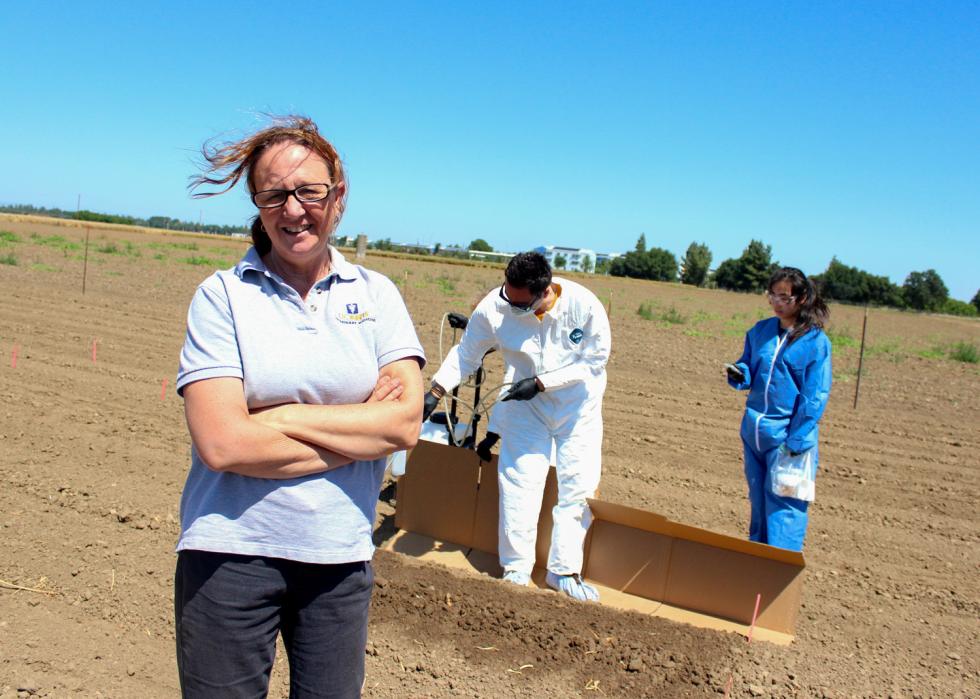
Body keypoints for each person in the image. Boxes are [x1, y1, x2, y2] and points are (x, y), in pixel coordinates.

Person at [174, 115, 424, 698]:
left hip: (338, 558)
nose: (293, 210)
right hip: (227, 554)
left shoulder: (377, 295)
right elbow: (222, 444)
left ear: (338, 197)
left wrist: (279, 420)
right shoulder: (222, 296)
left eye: (309, 191)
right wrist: (361, 430)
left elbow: (405, 423)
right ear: (256, 203)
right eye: (274, 194)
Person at [422, 252, 611, 601]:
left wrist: (543, 383)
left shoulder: (585, 306)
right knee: (519, 481)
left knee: (577, 486)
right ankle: (516, 569)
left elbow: (595, 362)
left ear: (544, 292)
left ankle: (563, 571)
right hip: (527, 406)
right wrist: (435, 391)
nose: (511, 307)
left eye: (521, 304)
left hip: (576, 408)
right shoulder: (495, 307)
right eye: (509, 297)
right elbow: (467, 354)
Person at [727, 267, 831, 552]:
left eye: (784, 296)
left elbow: (815, 396)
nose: (777, 302)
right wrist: (740, 373)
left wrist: (796, 441)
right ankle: (756, 570)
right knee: (759, 505)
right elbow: (750, 366)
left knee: (785, 510)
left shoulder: (815, 342)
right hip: (755, 433)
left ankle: (779, 577)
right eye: (773, 295)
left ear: (802, 298)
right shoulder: (760, 331)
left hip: (789, 440)